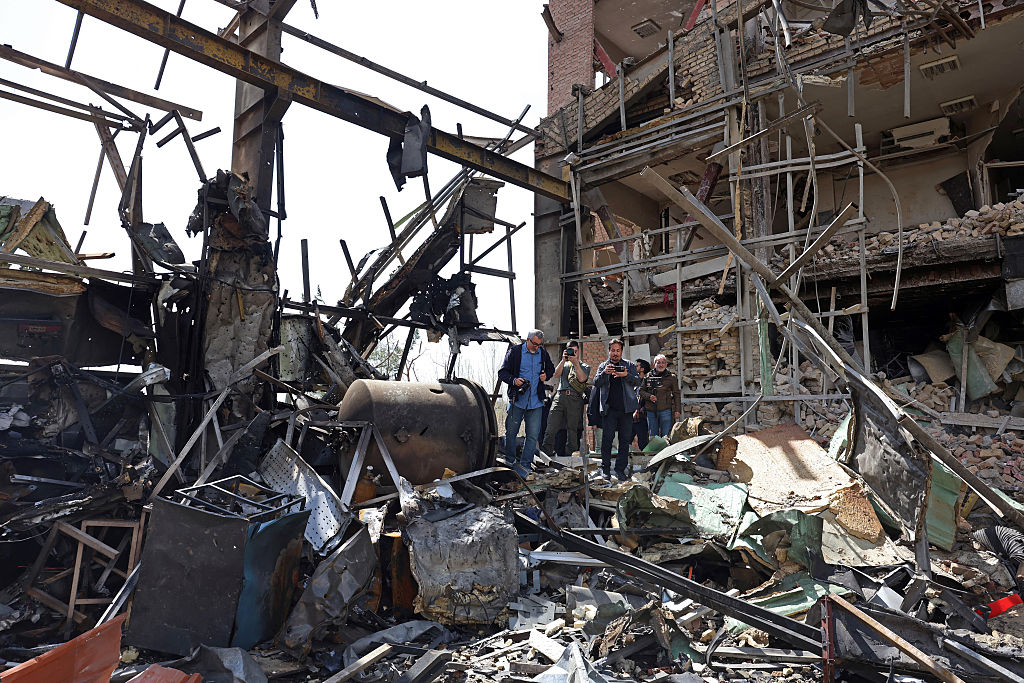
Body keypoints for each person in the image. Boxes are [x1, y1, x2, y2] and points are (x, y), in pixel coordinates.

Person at [497, 329, 555, 477]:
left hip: (536, 402)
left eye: (539, 344)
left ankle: (525, 466)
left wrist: (546, 375)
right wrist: (514, 381)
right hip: (518, 400)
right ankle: (509, 461)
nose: (537, 347)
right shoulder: (515, 352)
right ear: (527, 340)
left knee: (532, 436)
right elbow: (502, 373)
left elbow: (551, 368)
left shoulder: (542, 353)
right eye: (534, 344)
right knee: (511, 433)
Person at [592, 338, 641, 480]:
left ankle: (620, 469)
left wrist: (626, 375)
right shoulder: (603, 366)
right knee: (607, 440)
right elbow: (596, 382)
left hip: (626, 410)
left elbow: (638, 381)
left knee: (625, 440)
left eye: (618, 350)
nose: (615, 353)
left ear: (621, 351)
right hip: (610, 410)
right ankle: (605, 468)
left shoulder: (629, 365)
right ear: (609, 351)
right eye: (612, 350)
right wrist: (605, 373)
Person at [541, 340, 590, 458]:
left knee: (572, 430)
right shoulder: (564, 364)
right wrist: (563, 360)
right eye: (569, 350)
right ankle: (546, 453)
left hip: (575, 398)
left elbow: (582, 378)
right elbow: (556, 374)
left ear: (578, 351)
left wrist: (576, 363)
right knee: (551, 426)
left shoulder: (584, 366)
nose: (572, 353)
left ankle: (571, 456)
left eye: (574, 351)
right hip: (560, 395)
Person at [641, 354, 681, 439]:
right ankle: (654, 452)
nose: (661, 365)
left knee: (666, 436)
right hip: (651, 410)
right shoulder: (648, 376)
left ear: (666, 364)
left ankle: (666, 452)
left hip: (666, 410)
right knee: (653, 436)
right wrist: (649, 396)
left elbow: (676, 394)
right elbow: (641, 391)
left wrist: (677, 410)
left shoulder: (671, 377)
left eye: (663, 363)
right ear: (654, 364)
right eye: (658, 363)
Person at [632, 359, 651, 450]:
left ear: (642, 369)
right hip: (631, 416)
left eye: (637, 366)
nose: (636, 368)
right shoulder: (634, 381)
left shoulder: (647, 382)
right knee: (626, 440)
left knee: (643, 442)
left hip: (642, 416)